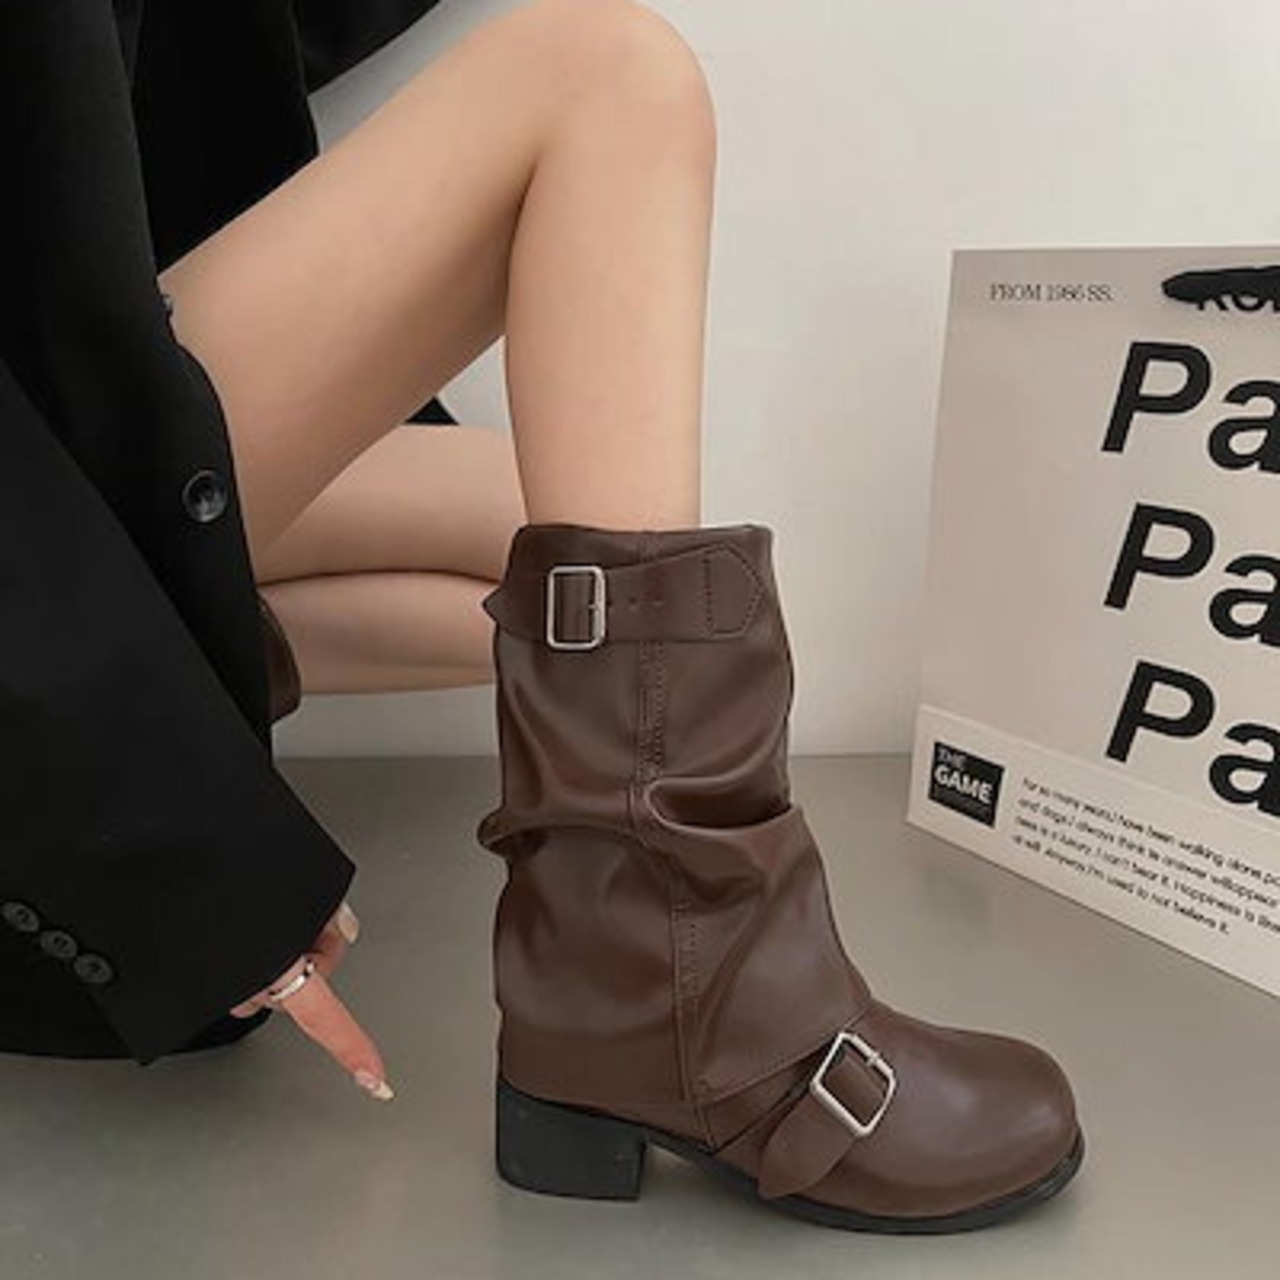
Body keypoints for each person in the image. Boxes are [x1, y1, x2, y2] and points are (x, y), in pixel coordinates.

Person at [35, 0, 1085, 1234]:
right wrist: (153, 829)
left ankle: (615, 1000)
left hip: (66, 367)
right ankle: (683, 1004)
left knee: (552, 544)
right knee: (605, 75)